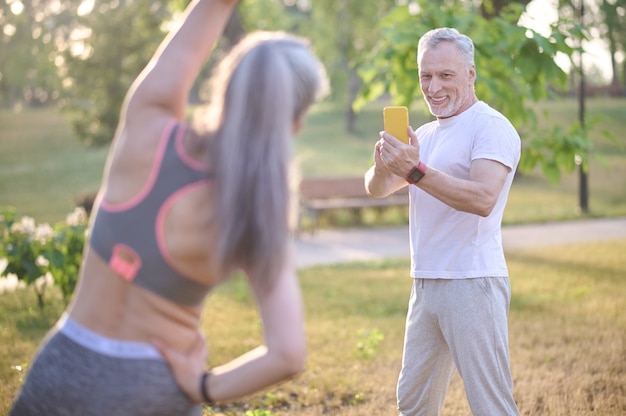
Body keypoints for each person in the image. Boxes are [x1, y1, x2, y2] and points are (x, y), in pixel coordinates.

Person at [9, 0, 327, 414]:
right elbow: (287, 354)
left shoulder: (148, 124)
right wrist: (204, 386)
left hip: (63, 367)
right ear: (296, 121)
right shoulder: (254, 214)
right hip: (150, 389)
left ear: (225, 85)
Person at [364, 27, 521, 415]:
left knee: (490, 405)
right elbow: (375, 189)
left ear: (470, 74)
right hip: (426, 283)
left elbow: (483, 198)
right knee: (413, 403)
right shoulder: (427, 135)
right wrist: (387, 165)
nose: (433, 87)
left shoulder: (491, 127)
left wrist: (414, 170)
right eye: (426, 76)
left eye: (445, 75)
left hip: (472, 282)